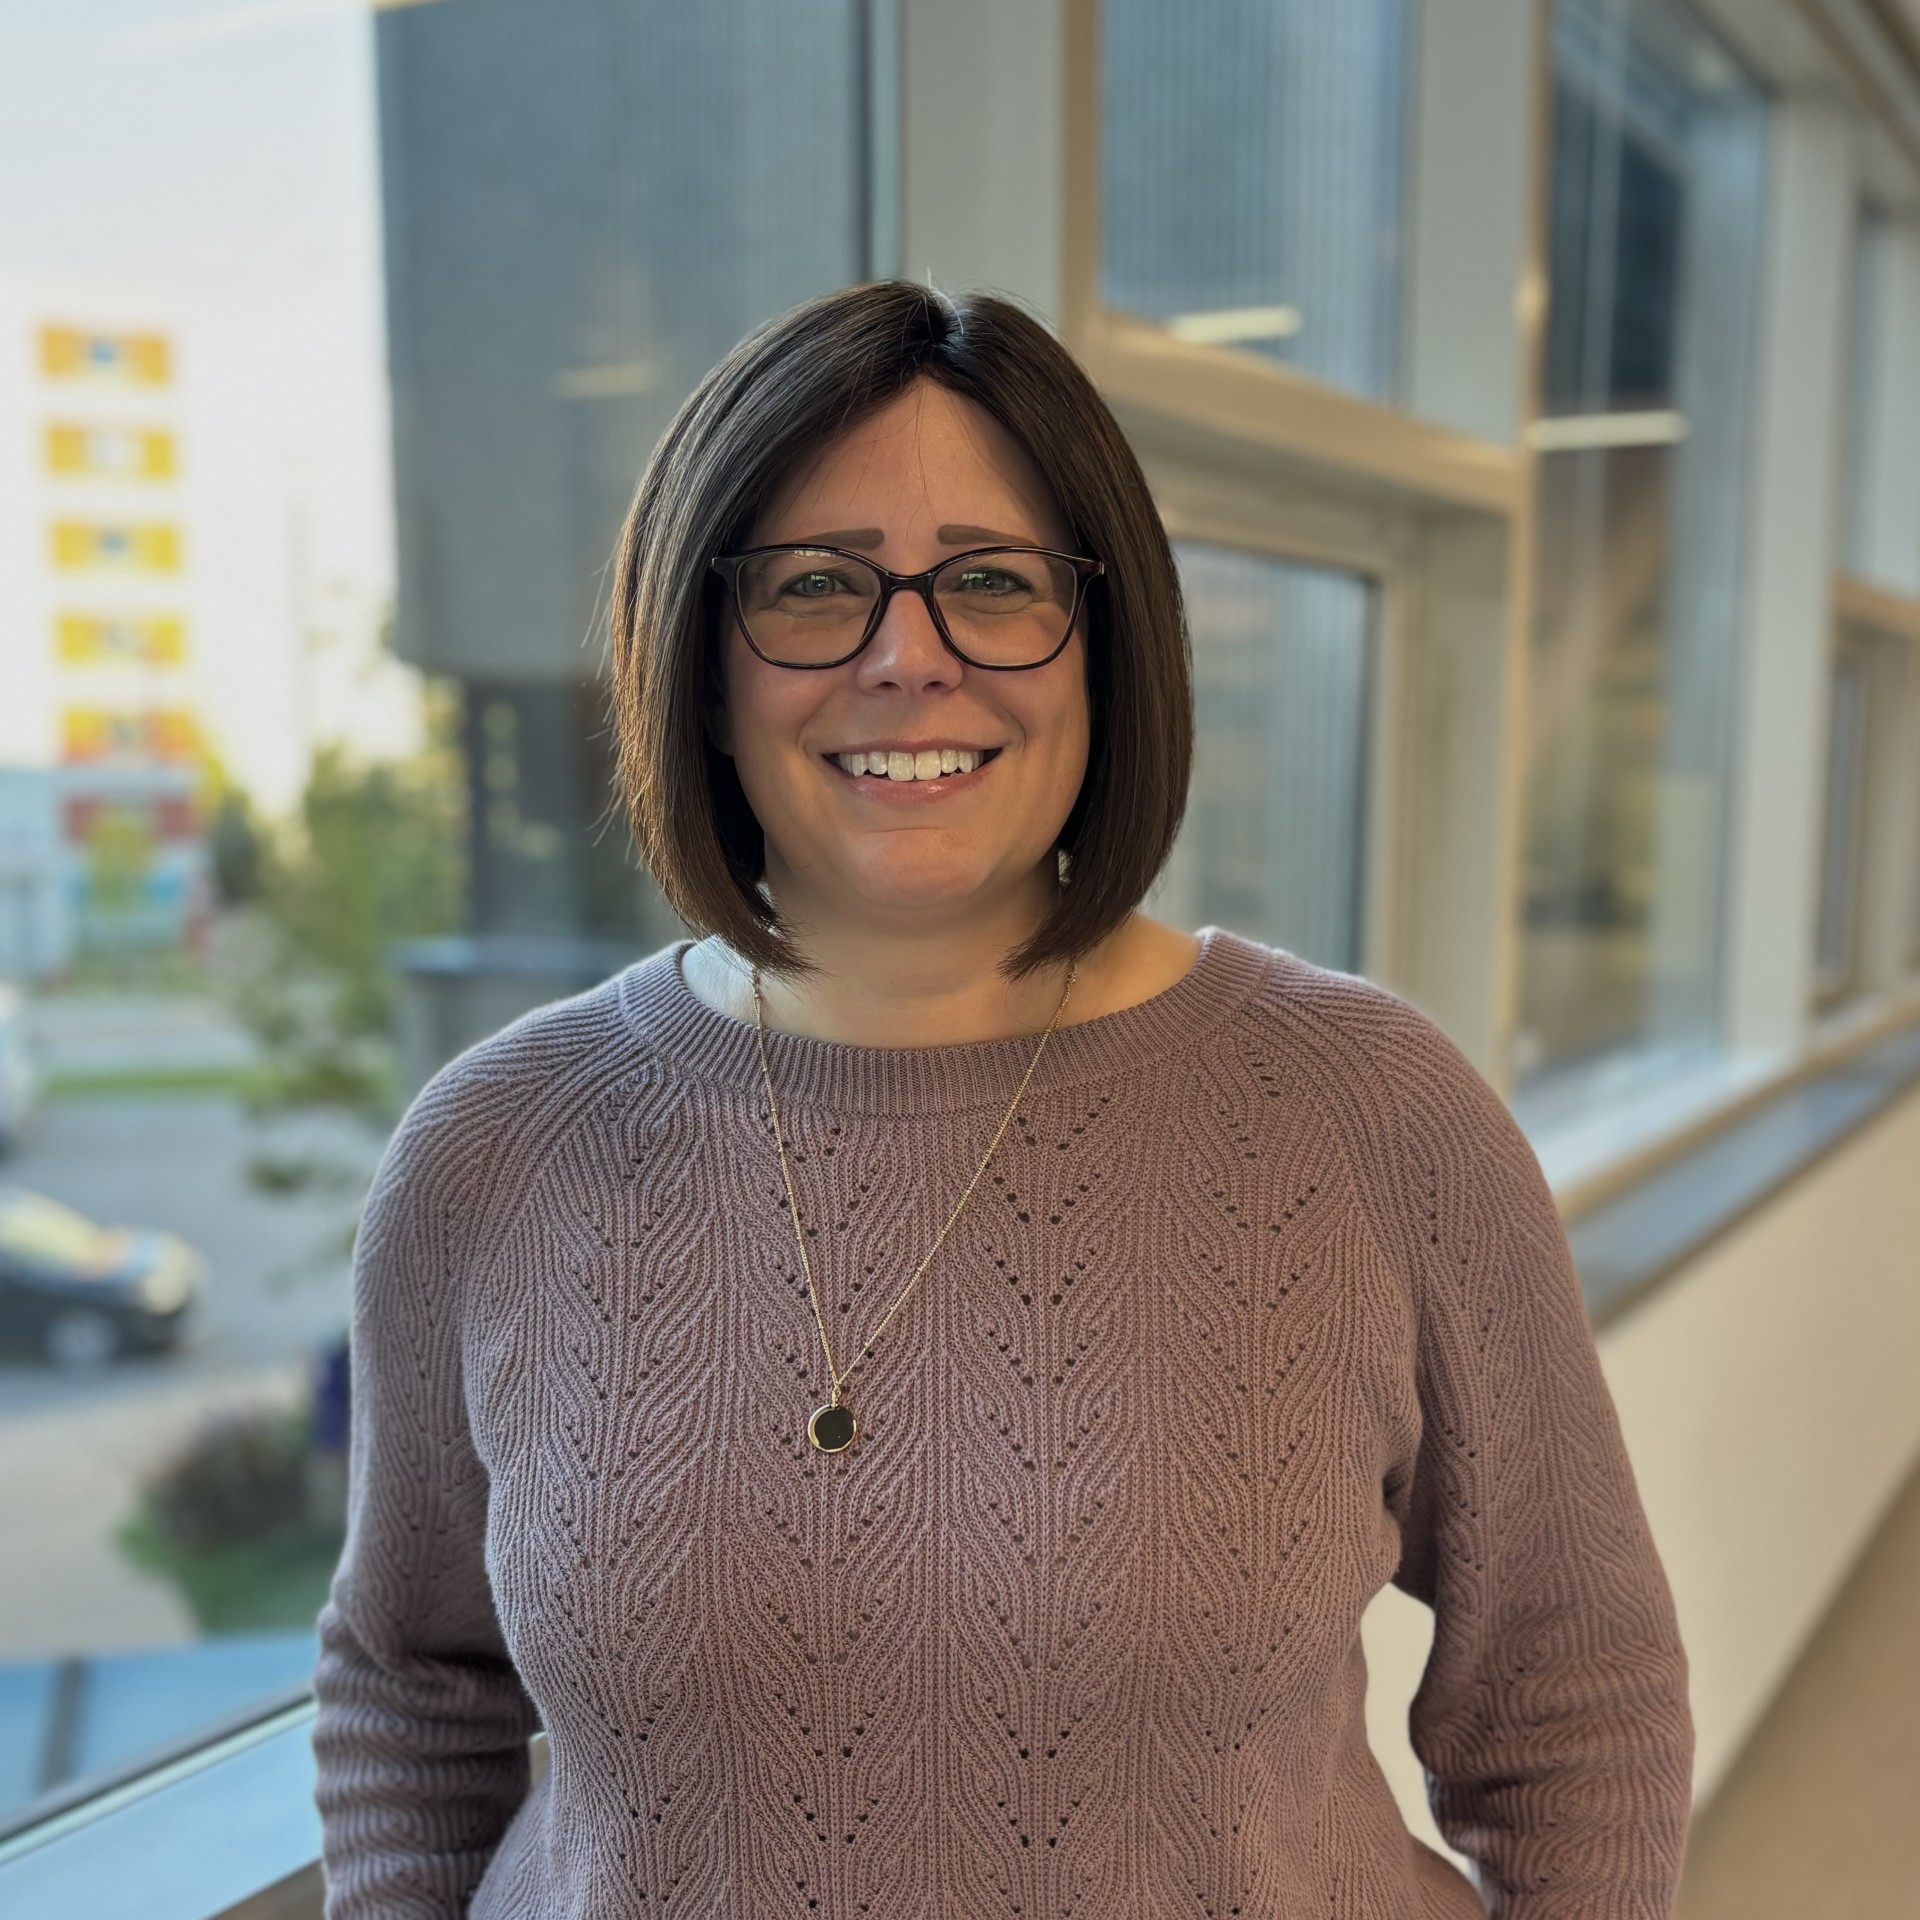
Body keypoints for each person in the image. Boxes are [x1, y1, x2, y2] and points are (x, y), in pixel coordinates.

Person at [312, 281, 1693, 1918]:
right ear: (699, 665)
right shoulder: (495, 1152)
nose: (913, 657)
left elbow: (1574, 1702)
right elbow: (410, 1688)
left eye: (993, 584)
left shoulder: (1372, 1116)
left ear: (1105, 650)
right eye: (818, 588)